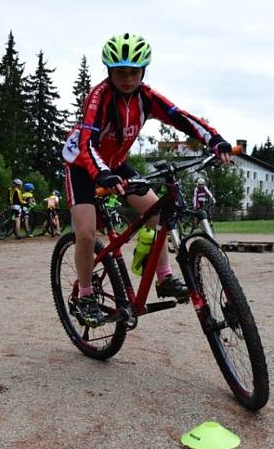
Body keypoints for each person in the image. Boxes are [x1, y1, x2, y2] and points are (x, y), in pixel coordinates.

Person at [61, 33, 232, 325]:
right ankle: (86, 294)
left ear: (143, 71)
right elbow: (88, 142)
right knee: (87, 233)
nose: (127, 78)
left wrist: (214, 139)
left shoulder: (146, 97)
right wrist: (101, 172)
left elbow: (180, 117)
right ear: (109, 72)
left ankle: (164, 277)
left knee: (159, 213)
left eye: (133, 72)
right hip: (82, 164)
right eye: (120, 72)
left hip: (115, 164)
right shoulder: (98, 97)